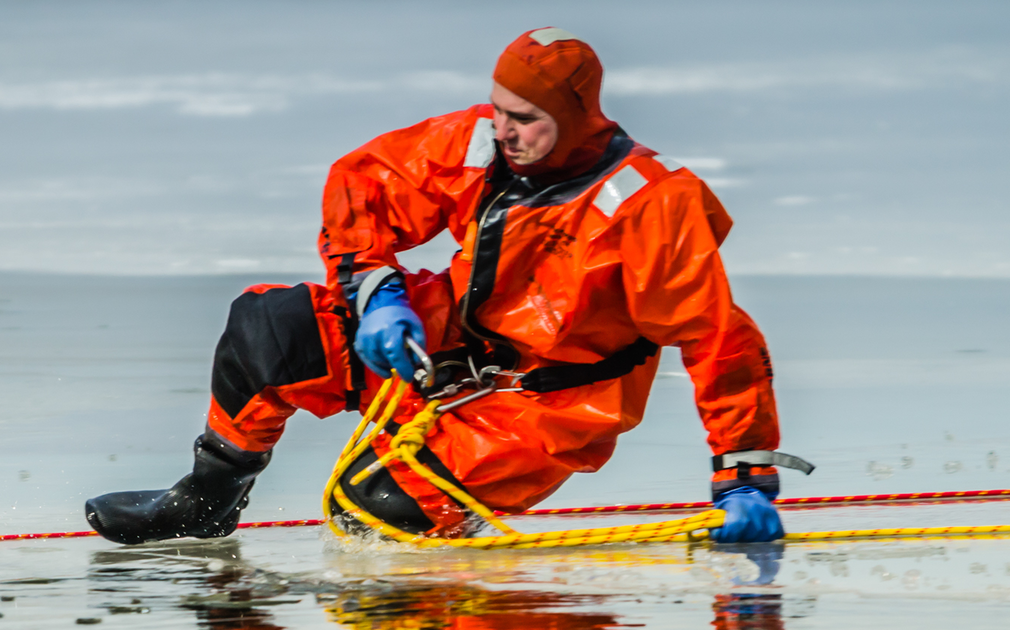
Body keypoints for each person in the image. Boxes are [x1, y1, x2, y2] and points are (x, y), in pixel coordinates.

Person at [85, 27, 801, 544]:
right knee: (268, 333)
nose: (505, 130)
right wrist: (377, 294)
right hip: (450, 340)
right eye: (500, 109)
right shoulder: (486, 142)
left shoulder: (650, 205)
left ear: (575, 118)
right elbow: (364, 184)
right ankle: (206, 501)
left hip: (549, 402)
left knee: (371, 512)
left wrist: (742, 479)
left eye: (526, 119)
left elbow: (719, 340)